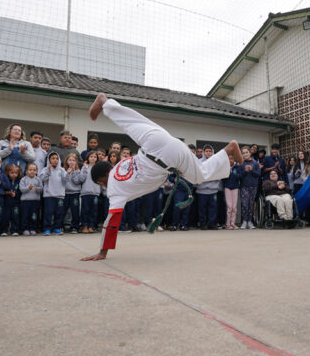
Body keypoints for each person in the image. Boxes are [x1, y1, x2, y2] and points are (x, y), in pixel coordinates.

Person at [80, 94, 242, 260]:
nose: (104, 187)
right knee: (130, 121)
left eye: (102, 184)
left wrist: (102, 252)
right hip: (158, 140)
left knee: (200, 174)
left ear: (103, 178)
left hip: (164, 158)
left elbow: (112, 220)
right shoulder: (122, 163)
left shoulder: (114, 188)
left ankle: (228, 150)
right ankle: (105, 103)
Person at [40, 151, 68, 235]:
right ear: (49, 160)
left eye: (56, 158)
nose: (55, 160)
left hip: (59, 195)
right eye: (53, 158)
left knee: (59, 212)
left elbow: (65, 180)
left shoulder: (62, 170)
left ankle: (57, 228)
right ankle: (47, 228)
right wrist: (48, 172)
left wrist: (69, 173)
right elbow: (42, 179)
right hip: (49, 195)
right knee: (48, 213)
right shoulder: (45, 169)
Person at [78, 151, 102, 233]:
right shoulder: (85, 167)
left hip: (95, 193)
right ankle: (85, 226)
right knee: (85, 210)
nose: (93, 158)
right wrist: (84, 169)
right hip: (86, 193)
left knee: (94, 211)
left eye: (95, 157)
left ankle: (91, 226)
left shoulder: (98, 168)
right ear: (87, 158)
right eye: (91, 156)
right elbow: (81, 179)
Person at [197, 145, 220, 230]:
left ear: (212, 152)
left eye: (210, 151)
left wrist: (207, 178)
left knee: (213, 208)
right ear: (204, 152)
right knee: (202, 208)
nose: (208, 153)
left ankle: (212, 224)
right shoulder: (199, 162)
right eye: (206, 151)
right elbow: (198, 174)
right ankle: (203, 224)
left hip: (213, 189)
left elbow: (218, 174)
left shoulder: (216, 162)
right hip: (202, 190)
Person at [239, 146, 261, 230]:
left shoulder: (255, 163)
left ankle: (250, 222)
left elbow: (258, 175)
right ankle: (244, 221)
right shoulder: (241, 164)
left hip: (253, 186)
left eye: (246, 152)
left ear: (250, 153)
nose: (245, 154)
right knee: (245, 204)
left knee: (251, 205)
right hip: (244, 186)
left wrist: (252, 170)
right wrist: (245, 171)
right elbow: (239, 176)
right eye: (243, 153)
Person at [19, 163, 42, 236]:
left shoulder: (38, 179)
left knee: (34, 216)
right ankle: (25, 229)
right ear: (26, 171)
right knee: (25, 216)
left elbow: (41, 189)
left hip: (35, 201)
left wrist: (37, 189)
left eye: (34, 170)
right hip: (25, 201)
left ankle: (33, 228)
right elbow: (21, 189)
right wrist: (28, 188)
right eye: (30, 170)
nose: (32, 171)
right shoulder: (23, 179)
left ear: (37, 171)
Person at [0, 164, 22, 236]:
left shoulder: (19, 181)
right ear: (7, 172)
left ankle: (14, 230)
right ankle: (4, 230)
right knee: (5, 217)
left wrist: (16, 194)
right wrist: (7, 193)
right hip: (6, 202)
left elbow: (20, 191)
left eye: (16, 173)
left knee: (15, 216)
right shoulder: (5, 180)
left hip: (15, 203)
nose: (14, 175)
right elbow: (1, 189)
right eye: (12, 173)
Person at [63, 152, 82, 233]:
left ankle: (75, 227)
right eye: (70, 160)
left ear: (76, 162)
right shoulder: (63, 171)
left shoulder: (78, 171)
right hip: (65, 193)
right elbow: (63, 181)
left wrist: (73, 172)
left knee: (75, 211)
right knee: (63, 210)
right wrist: (68, 172)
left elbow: (77, 181)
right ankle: (60, 225)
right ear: (66, 161)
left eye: (73, 160)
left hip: (75, 193)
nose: (71, 162)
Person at [223, 156, 241, 229]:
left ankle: (233, 223)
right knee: (229, 206)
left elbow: (239, 176)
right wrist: (228, 172)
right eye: (229, 159)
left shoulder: (237, 167)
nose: (230, 160)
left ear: (234, 160)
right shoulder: (225, 167)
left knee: (234, 207)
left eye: (232, 159)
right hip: (227, 188)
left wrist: (232, 173)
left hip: (235, 188)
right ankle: (227, 224)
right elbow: (223, 178)